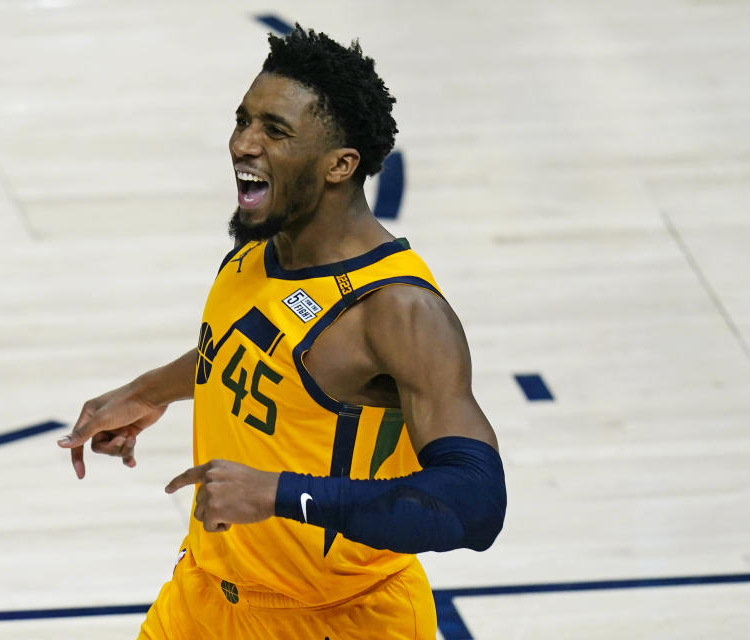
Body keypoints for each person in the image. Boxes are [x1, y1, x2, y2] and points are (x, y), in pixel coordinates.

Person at [57, 26, 506, 640]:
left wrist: (281, 494)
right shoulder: (259, 249)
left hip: (339, 621)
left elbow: (474, 504)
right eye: (243, 120)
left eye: (275, 130)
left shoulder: (397, 312)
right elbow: (256, 347)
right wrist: (151, 389)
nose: (243, 143)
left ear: (340, 164)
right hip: (204, 600)